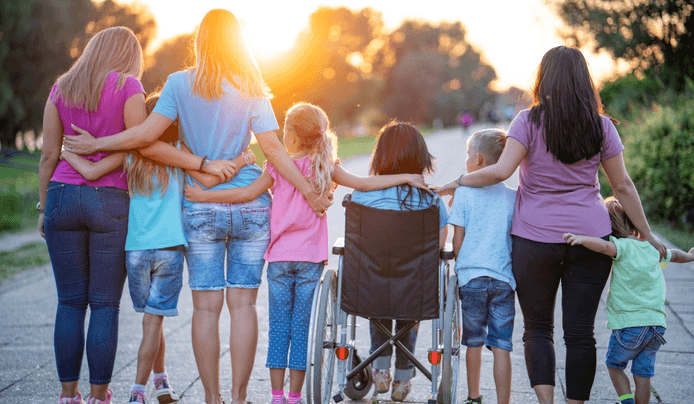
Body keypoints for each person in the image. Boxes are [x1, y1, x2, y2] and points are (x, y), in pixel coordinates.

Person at [63, 9, 332, 404]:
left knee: (206, 309)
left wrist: (97, 144)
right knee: (243, 305)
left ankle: (212, 398)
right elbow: (272, 148)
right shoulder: (252, 84)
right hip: (251, 208)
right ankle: (240, 398)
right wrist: (309, 190)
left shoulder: (177, 84)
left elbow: (145, 137)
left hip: (201, 208)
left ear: (199, 41)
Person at [436, 46, 666, 404]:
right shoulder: (601, 126)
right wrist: (646, 234)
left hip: (533, 240)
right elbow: (622, 185)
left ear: (544, 79)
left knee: (538, 329)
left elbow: (500, 171)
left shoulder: (528, 121)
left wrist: (458, 182)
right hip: (590, 238)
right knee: (580, 334)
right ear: (583, 80)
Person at [184, 103, 429, 404]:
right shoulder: (326, 166)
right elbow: (365, 184)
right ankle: (295, 396)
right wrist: (404, 178)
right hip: (311, 259)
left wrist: (204, 195)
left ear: (290, 135)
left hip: (280, 259)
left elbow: (246, 194)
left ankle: (276, 397)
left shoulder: (278, 166)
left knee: (279, 328)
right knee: (300, 329)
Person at [60, 94, 256, 404]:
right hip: (169, 251)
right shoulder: (178, 154)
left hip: (136, 252)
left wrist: (64, 150)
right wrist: (243, 160)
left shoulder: (131, 156)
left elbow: (90, 172)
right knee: (154, 321)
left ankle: (161, 381)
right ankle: (138, 391)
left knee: (153, 320)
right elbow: (209, 175)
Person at [37, 26, 144, 404]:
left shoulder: (62, 86)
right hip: (110, 201)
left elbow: (50, 154)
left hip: (62, 197)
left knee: (69, 302)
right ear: (127, 56)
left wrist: (42, 205)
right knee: (103, 304)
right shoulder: (129, 87)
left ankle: (68, 395)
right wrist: (103, 164)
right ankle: (100, 397)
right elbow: (140, 143)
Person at [348, 122, 448, 402]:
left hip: (371, 285)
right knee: (408, 306)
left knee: (378, 299)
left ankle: (380, 372)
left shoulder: (361, 196)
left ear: (380, 156)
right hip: (414, 287)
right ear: (420, 158)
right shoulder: (431, 201)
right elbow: (439, 248)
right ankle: (403, 379)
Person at [563, 197, 694, 404]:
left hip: (630, 325)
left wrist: (582, 238)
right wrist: (690, 256)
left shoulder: (621, 246)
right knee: (643, 375)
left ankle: (626, 402)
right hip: (656, 326)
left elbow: (603, 247)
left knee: (614, 366)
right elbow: (675, 255)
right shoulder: (652, 249)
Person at [447, 129, 516, 404]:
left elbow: (457, 241)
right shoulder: (512, 197)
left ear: (477, 159)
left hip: (472, 278)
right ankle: (504, 401)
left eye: (467, 154)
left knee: (473, 342)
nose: (465, 159)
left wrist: (460, 263)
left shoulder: (463, 194)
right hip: (503, 280)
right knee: (502, 346)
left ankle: (474, 396)